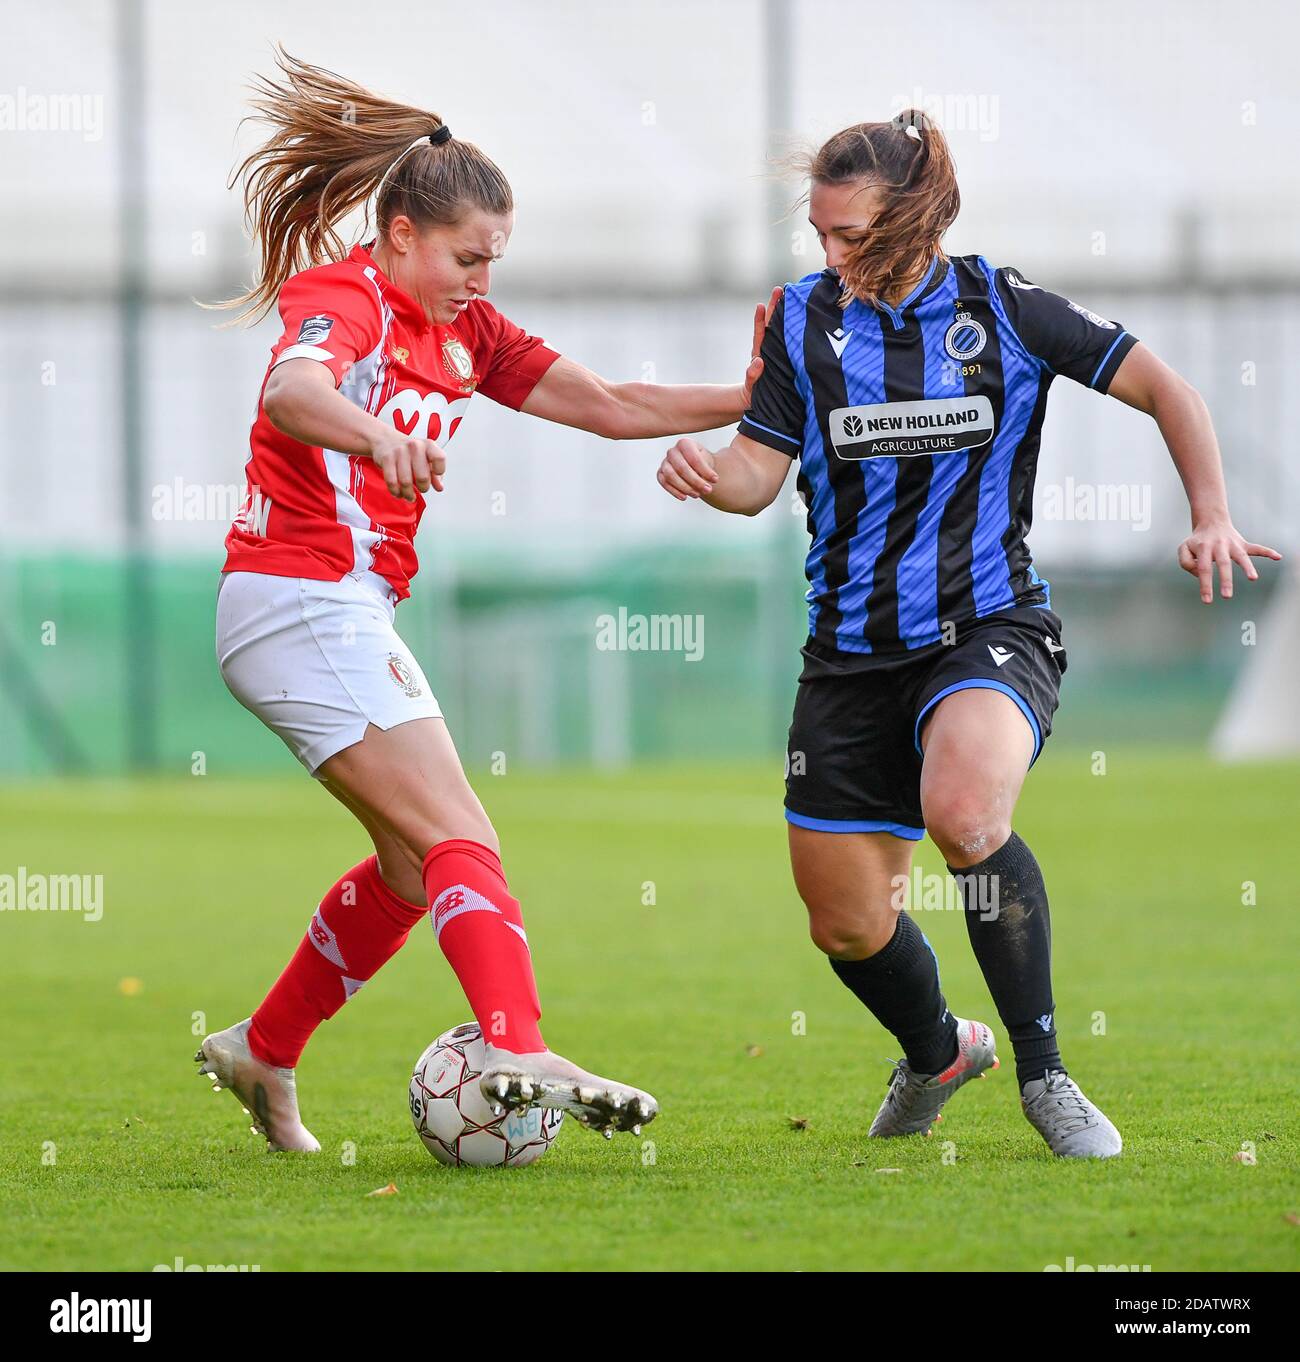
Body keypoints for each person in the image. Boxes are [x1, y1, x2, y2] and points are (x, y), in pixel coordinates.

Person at [655, 109, 1280, 1158]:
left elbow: (1165, 387)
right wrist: (703, 476)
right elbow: (753, 480)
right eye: (819, 232)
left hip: (988, 627)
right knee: (845, 926)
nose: (830, 254)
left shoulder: (1004, 307)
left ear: (913, 222)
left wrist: (1210, 511)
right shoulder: (803, 322)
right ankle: (940, 1050)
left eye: (851, 235)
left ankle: (1046, 1077)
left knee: (963, 811)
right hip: (848, 659)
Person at [197, 49, 778, 1152]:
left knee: (417, 868)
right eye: (468, 255)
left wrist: (751, 396)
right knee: (464, 831)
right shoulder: (346, 294)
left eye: (497, 259)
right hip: (294, 598)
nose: (482, 277)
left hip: (341, 606)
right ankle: (515, 1041)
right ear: (403, 234)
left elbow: (608, 404)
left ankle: (263, 1050)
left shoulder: (468, 330)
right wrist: (378, 436)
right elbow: (294, 388)